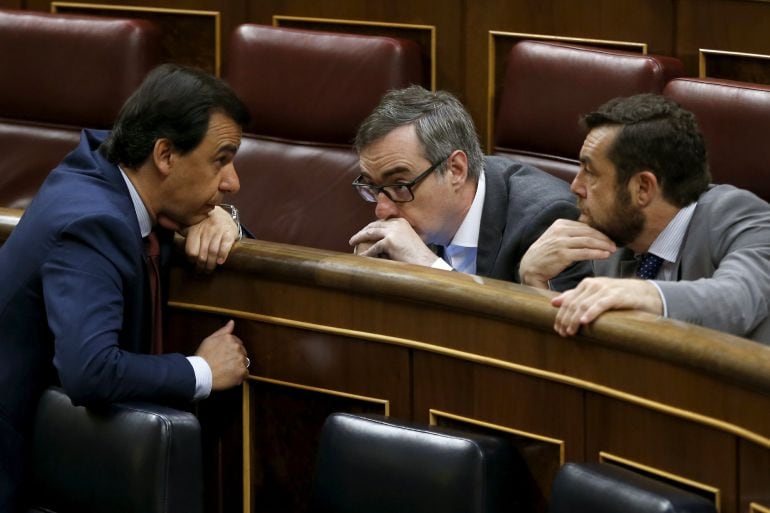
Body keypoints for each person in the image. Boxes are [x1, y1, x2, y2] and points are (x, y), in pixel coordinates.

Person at [0, 64, 253, 510]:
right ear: (165, 155)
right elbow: (90, 371)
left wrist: (223, 216)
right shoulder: (93, 222)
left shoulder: (106, 167)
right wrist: (203, 371)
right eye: (221, 159)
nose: (232, 182)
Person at [519, 93, 770, 344]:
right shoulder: (615, 237)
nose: (575, 186)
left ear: (643, 188)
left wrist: (648, 293)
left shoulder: (746, 219)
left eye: (590, 172)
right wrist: (535, 280)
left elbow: (739, 299)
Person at [348, 85, 591, 289]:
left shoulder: (548, 218)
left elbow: (551, 341)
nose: (382, 211)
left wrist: (430, 267)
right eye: (372, 187)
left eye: (400, 185)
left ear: (456, 169)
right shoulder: (414, 219)